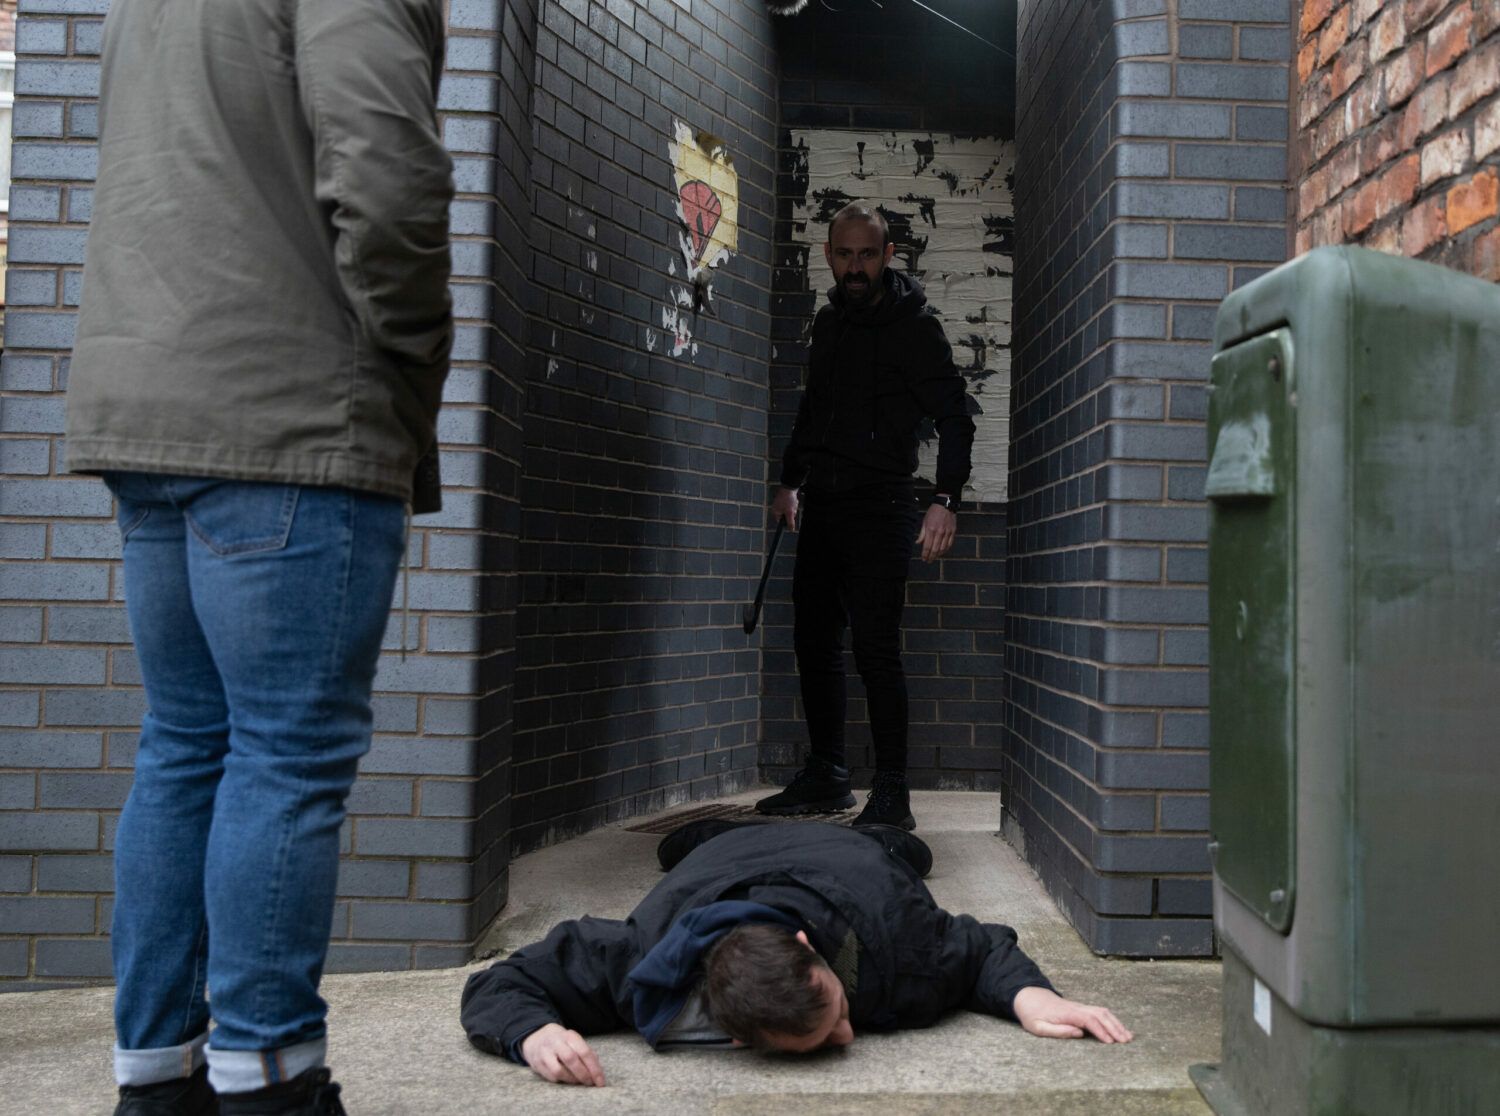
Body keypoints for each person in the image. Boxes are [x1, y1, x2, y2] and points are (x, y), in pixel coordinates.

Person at [64, 1, 453, 1113]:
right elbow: (390, 182)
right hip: (288, 413)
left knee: (185, 744)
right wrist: (410, 356)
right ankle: (270, 1078)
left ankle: (158, 1075)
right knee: (285, 756)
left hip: (150, 405)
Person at [460, 822, 1131, 1087]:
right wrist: (534, 1033)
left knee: (906, 849)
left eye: (835, 1011)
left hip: (858, 861)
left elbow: (979, 948)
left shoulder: (900, 936)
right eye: (824, 1037)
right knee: (682, 846)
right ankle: (712, 832)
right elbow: (503, 984)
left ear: (809, 949)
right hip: (720, 859)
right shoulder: (642, 956)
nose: (849, 1034)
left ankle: (878, 830)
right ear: (736, 1038)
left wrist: (1031, 996)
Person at [758, 201, 977, 830]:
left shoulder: (916, 328)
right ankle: (828, 773)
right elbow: (814, 409)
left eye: (868, 255)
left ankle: (892, 792)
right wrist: (790, 482)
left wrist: (946, 499)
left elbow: (956, 417)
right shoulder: (830, 324)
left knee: (876, 649)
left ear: (887, 256)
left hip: (882, 506)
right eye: (845, 255)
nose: (856, 267)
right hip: (823, 504)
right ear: (829, 255)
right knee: (813, 639)